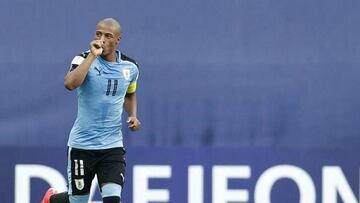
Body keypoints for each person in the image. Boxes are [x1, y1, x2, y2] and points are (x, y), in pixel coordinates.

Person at [41, 18, 141, 203]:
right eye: (98, 34)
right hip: (82, 145)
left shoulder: (130, 67)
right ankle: (52, 200)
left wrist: (133, 115)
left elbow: (129, 93)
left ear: (118, 39)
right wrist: (92, 56)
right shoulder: (83, 58)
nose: (102, 39)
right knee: (78, 201)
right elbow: (70, 84)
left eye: (108, 36)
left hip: (112, 146)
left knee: (112, 199)